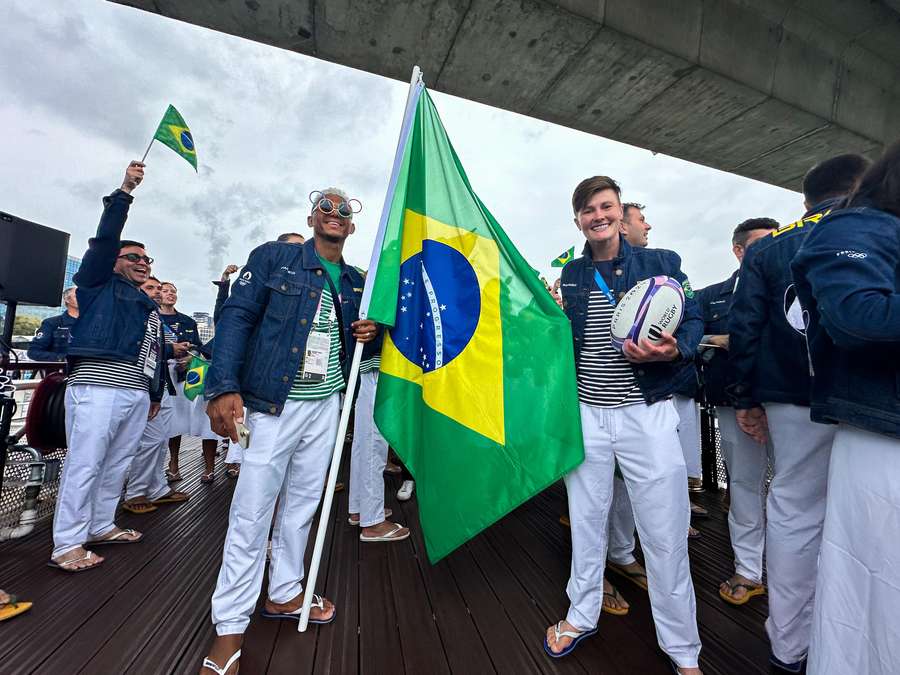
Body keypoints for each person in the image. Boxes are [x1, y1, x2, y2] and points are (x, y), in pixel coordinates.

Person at [200, 188, 377, 674]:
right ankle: (230, 627)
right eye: (326, 205)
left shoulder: (359, 281)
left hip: (327, 407)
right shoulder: (274, 257)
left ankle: (283, 593)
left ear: (352, 226)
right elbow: (236, 317)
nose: (335, 214)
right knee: (252, 511)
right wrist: (223, 385)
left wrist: (372, 331)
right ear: (312, 215)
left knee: (302, 505)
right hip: (272, 405)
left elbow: (367, 339)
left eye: (345, 210)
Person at [546, 176, 702, 675]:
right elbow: (568, 339)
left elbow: (693, 320)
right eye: (588, 210)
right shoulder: (571, 274)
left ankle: (684, 650)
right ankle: (581, 614)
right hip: (586, 415)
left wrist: (675, 347)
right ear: (578, 220)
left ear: (618, 211)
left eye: (606, 206)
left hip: (645, 413)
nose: (598, 216)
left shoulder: (661, 264)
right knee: (587, 523)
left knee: (665, 531)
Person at [728, 153, 870, 673]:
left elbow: (747, 328)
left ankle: (789, 647)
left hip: (791, 397)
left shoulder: (767, 250)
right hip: (869, 396)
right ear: (860, 186)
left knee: (793, 509)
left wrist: (746, 397)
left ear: (805, 201)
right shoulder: (879, 225)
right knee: (866, 517)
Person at [792, 140, 900, 675]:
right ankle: (786, 646)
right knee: (872, 601)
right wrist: (744, 397)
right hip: (875, 434)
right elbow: (858, 317)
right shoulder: (853, 229)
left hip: (856, 422)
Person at [49, 161, 163, 572]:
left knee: (118, 462)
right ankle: (66, 543)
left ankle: (100, 524)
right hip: (98, 388)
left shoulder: (146, 302)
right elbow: (103, 240)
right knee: (86, 462)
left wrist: (151, 394)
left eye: (148, 260)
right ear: (114, 261)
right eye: (134, 256)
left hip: (133, 393)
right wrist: (124, 192)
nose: (143, 263)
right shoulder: (97, 282)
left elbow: (151, 354)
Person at [696, 218, 777, 606]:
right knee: (744, 487)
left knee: (797, 490)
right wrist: (719, 338)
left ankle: (793, 567)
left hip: (789, 403)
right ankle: (749, 569)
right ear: (739, 251)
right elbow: (685, 334)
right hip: (733, 405)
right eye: (763, 243)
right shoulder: (712, 296)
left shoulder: (794, 285)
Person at [122, 276, 190, 514]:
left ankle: (157, 487)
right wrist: (171, 349)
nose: (158, 292)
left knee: (160, 439)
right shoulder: (132, 314)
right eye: (151, 288)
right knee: (147, 440)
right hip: (134, 385)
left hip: (158, 386)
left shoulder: (154, 318)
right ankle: (135, 492)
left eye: (159, 288)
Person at [348, 328, 409, 541]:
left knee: (363, 440)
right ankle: (372, 522)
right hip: (375, 362)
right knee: (374, 441)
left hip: (363, 361)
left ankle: (360, 508)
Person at [159, 282, 209, 481]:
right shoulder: (150, 318)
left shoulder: (188, 322)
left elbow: (198, 347)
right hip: (157, 375)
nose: (170, 294)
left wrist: (190, 357)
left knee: (175, 422)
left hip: (180, 376)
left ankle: (174, 464)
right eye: (166, 291)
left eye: (173, 291)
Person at [27, 287, 78, 362]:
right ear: (67, 300)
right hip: (63, 370)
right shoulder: (52, 323)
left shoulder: (94, 323)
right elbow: (33, 352)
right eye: (77, 295)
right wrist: (63, 358)